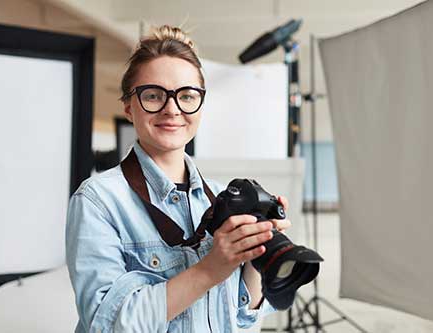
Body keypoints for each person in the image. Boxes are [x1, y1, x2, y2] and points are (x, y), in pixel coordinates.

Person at [66, 25, 292, 333]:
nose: (172, 109)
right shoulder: (98, 201)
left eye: (186, 96)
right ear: (129, 107)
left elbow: (241, 319)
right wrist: (211, 268)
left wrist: (255, 255)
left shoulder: (219, 197)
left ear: (200, 104)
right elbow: (108, 326)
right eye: (154, 95)